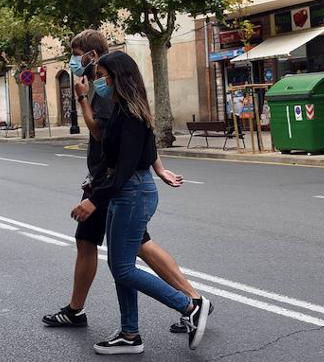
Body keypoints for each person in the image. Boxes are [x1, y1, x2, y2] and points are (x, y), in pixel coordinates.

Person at [43, 30, 209, 336]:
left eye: (76, 53)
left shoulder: (109, 98)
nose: (73, 60)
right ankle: (128, 330)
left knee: (125, 258)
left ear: (93, 58)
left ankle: (191, 304)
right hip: (110, 184)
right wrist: (157, 167)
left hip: (116, 187)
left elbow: (112, 141)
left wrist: (95, 196)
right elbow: (136, 145)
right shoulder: (118, 98)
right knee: (119, 248)